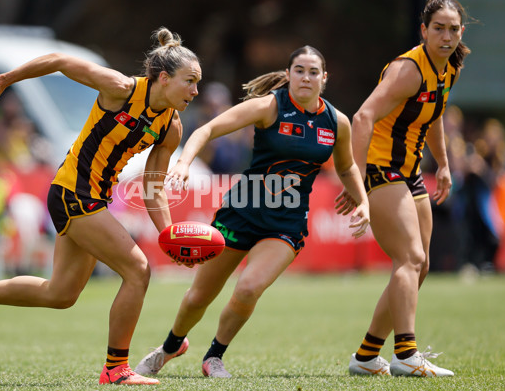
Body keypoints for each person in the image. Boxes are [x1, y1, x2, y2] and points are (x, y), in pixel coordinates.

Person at [0, 27, 201, 386]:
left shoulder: (171, 127)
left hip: (93, 200)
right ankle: (116, 369)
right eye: (190, 81)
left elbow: (153, 188)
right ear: (164, 78)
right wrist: (5, 78)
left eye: (198, 83)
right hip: (73, 193)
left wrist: (169, 236)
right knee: (138, 270)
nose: (195, 91)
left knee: (60, 294)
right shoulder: (121, 88)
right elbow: (59, 60)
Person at [135, 45, 370, 378]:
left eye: (313, 71)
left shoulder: (336, 122)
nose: (306, 77)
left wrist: (363, 200)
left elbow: (346, 168)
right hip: (240, 213)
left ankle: (214, 356)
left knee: (247, 289)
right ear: (288, 75)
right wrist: (185, 163)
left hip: (286, 221)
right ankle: (171, 346)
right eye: (299, 70)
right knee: (198, 297)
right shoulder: (269, 107)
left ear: (324, 78)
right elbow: (207, 130)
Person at [341, 0, 471, 377]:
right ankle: (406, 355)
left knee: (420, 266)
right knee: (410, 260)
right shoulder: (409, 69)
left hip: (410, 172)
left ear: (460, 32)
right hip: (382, 169)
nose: (445, 36)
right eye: (438, 28)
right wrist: (357, 181)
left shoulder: (450, 68)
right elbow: (362, 116)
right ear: (423, 31)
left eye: (452, 29)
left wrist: (444, 164)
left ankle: (366, 357)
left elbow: (433, 117)